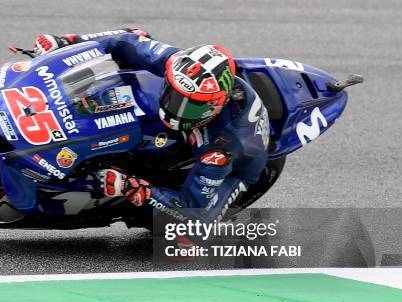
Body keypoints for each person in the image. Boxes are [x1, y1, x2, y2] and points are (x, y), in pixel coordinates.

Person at [33, 28, 269, 222]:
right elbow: (126, 39)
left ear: (215, 106)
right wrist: (68, 42)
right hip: (192, 132)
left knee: (188, 236)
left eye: (192, 106)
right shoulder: (177, 63)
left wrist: (133, 187)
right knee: (137, 38)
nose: (178, 109)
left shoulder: (220, 149)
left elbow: (191, 206)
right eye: (175, 96)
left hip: (238, 171)